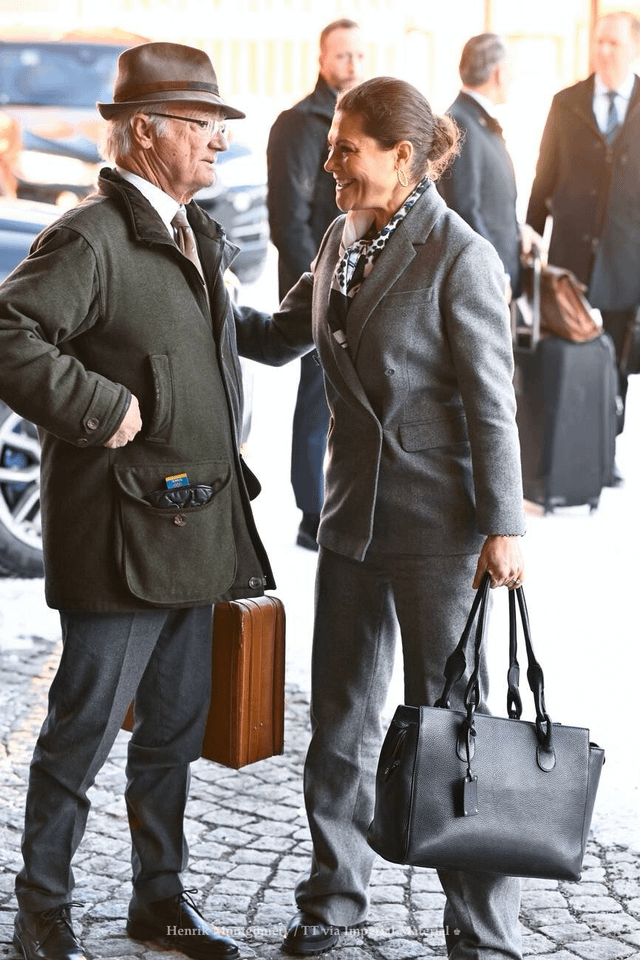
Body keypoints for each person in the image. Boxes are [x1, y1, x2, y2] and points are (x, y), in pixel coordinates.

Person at [0, 42, 309, 960]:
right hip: (119, 542)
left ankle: (159, 901)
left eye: (217, 125)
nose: (219, 141)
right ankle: (42, 910)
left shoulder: (192, 231)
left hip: (195, 530)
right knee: (82, 733)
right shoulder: (90, 237)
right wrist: (100, 407)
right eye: (200, 124)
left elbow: (231, 332)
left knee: (172, 733)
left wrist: (320, 299)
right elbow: (9, 331)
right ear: (145, 132)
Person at [274, 76, 527, 959]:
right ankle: (334, 899)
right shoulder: (340, 237)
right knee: (340, 719)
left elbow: (493, 405)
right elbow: (280, 332)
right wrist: (192, 304)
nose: (331, 165)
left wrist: (504, 526)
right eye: (331, 149)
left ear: (402, 156)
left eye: (346, 149)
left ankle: (482, 930)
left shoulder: (462, 256)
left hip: (438, 526)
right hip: (351, 516)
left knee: (451, 729)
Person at [526, 10, 640, 482]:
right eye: (599, 42)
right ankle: (562, 454)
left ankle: (604, 454)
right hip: (569, 261)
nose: (604, 51)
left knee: (616, 363)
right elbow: (543, 179)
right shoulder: (566, 103)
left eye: (614, 43)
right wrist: (530, 242)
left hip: (626, 262)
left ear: (634, 47)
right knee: (565, 354)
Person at [266, 18, 366, 550]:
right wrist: (324, 286)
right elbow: (288, 223)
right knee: (314, 398)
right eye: (343, 55)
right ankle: (311, 514)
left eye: (359, 56)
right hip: (316, 284)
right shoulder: (297, 124)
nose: (352, 65)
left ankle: (341, 508)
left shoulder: (366, 120)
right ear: (322, 59)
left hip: (357, 285)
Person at [438, 32, 541, 301]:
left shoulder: (475, 119)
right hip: (482, 280)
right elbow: (464, 209)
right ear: (498, 73)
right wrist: (495, 273)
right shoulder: (461, 122)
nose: (513, 77)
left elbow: (490, 201)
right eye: (510, 68)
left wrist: (519, 231)